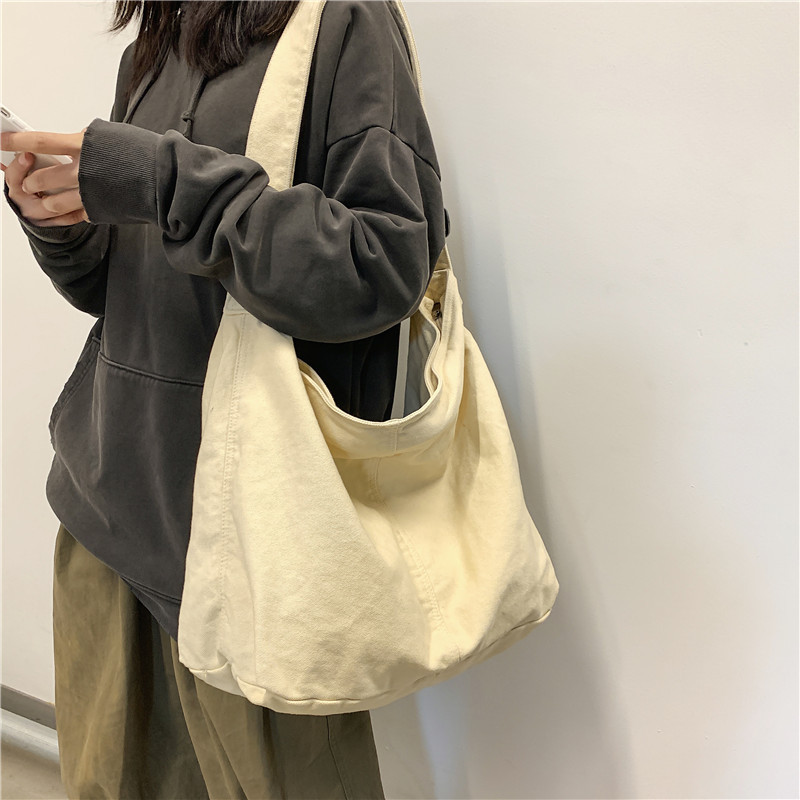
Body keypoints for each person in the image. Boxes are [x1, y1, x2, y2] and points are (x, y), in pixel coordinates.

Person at [1, 0, 447, 796]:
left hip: (257, 543)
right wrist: (60, 224)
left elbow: (379, 265)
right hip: (111, 516)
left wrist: (165, 178)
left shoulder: (343, 22)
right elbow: (123, 290)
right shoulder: (158, 36)